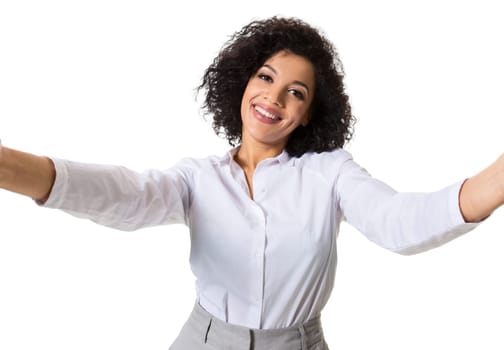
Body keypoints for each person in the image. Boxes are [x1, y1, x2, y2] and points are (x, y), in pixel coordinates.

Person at [0, 16, 502, 350]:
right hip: (204, 339)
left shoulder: (330, 174)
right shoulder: (198, 177)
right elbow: (126, 195)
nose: (273, 98)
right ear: (243, 83)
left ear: (308, 115)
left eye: (295, 92)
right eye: (265, 77)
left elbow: (402, 224)